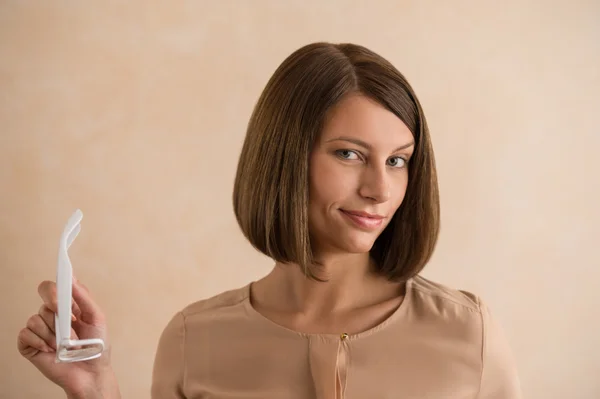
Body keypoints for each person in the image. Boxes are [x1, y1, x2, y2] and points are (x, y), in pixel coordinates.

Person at [17, 42, 522, 398]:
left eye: (397, 160)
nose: (380, 189)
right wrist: (96, 388)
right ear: (284, 158)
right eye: (349, 154)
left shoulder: (467, 333)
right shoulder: (195, 340)